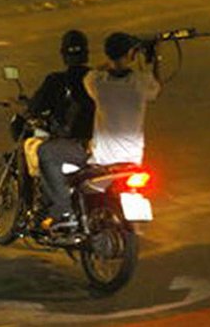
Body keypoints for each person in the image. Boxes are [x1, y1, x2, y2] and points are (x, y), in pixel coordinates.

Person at [27, 30, 95, 231]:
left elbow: (36, 107)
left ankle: (61, 210)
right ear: (87, 54)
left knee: (43, 152)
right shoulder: (99, 79)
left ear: (63, 55)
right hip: (102, 145)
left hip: (75, 146)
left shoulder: (56, 80)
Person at [83, 32, 161, 167]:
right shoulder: (141, 82)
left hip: (103, 159)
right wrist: (156, 59)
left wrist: (111, 62)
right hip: (132, 158)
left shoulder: (96, 82)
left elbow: (93, 72)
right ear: (131, 54)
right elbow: (156, 89)